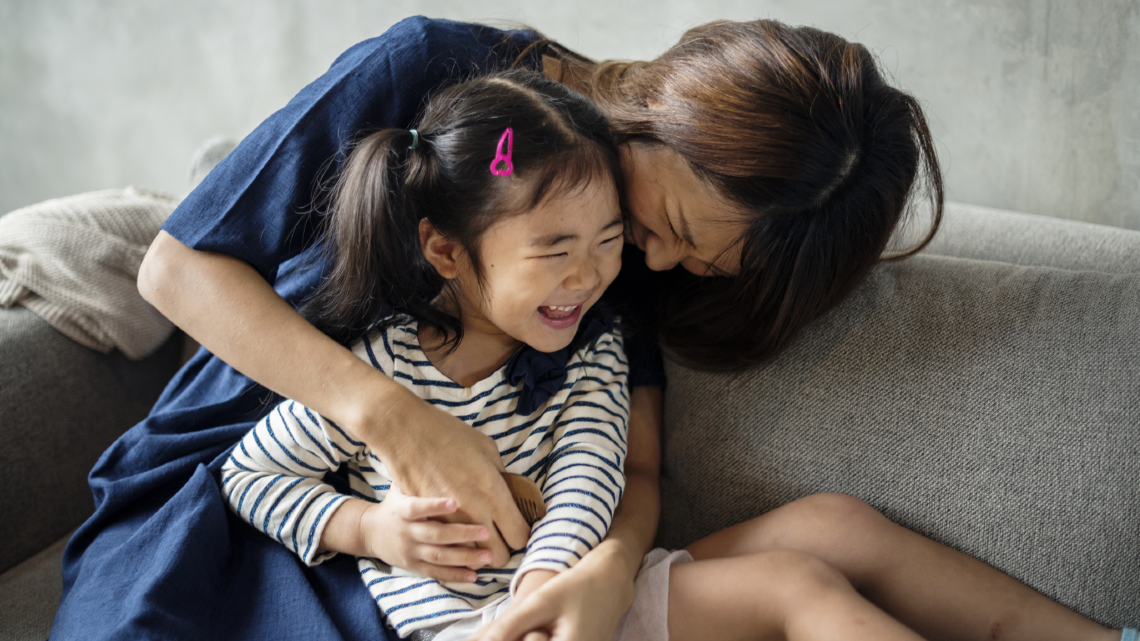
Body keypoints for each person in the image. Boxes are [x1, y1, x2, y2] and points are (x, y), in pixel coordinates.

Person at [52, 15, 1134, 641]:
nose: (645, 264)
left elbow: (630, 458)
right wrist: (397, 420)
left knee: (829, 540)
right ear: (665, 115)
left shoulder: (609, 272)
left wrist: (609, 566)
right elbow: (175, 268)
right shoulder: (432, 76)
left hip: (486, 569)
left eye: (681, 262)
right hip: (235, 488)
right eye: (667, 225)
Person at [219, 70, 633, 640]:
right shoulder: (383, 364)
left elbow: (589, 471)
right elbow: (249, 475)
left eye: (608, 242)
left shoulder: (594, 348)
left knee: (785, 575)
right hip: (457, 627)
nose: (588, 275)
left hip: (573, 600)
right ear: (446, 250)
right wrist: (367, 529)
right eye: (554, 251)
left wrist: (544, 585)